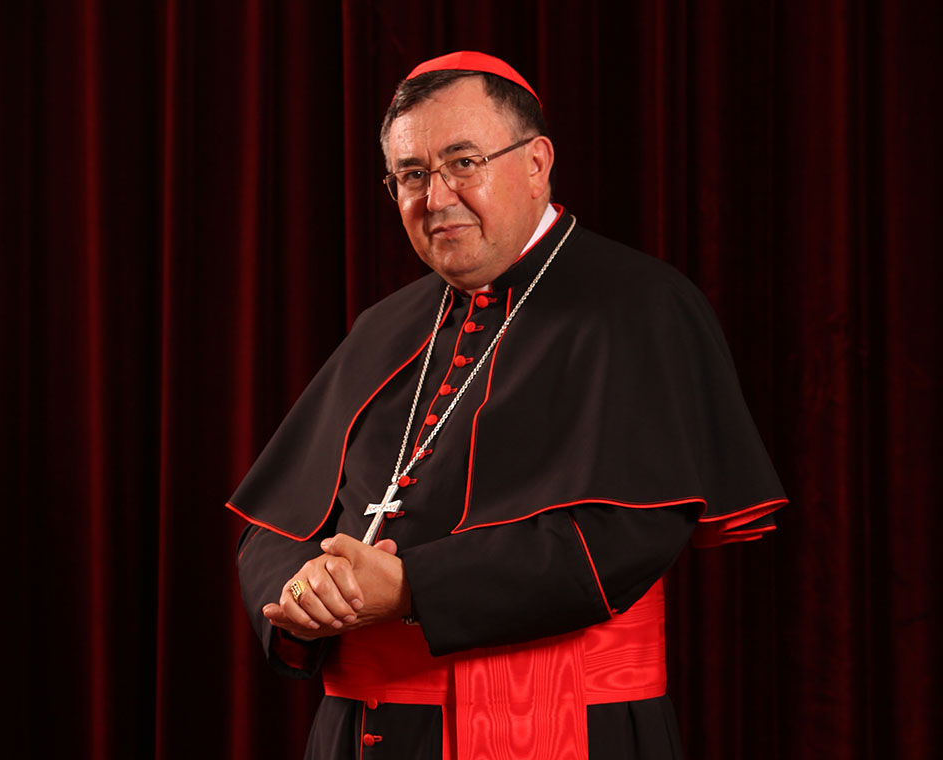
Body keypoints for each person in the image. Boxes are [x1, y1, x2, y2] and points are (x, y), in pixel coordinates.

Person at [228, 51, 786, 759]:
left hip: (561, 726)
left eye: (463, 163)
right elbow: (275, 524)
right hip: (360, 735)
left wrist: (410, 587)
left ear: (536, 163)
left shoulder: (641, 305)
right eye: (411, 174)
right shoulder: (384, 327)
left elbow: (625, 536)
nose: (436, 197)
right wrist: (303, 589)